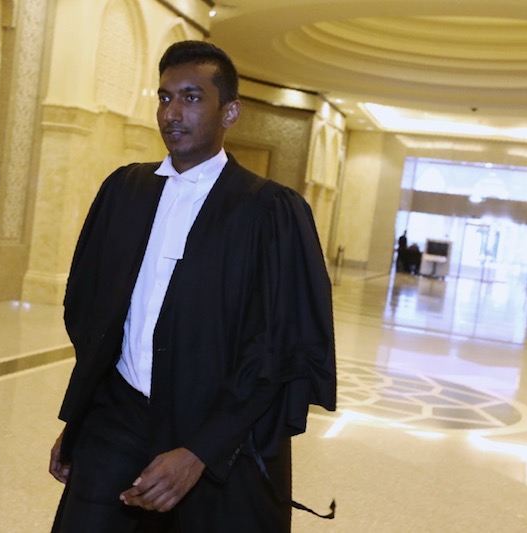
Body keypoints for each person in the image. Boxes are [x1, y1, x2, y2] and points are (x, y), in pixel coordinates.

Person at [49, 40, 336, 532]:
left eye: (192, 97)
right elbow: (90, 311)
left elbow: (277, 348)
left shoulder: (269, 212)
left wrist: (200, 450)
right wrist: (80, 422)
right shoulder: (125, 191)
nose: (172, 113)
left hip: (217, 432)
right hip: (118, 416)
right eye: (164, 97)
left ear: (230, 112)